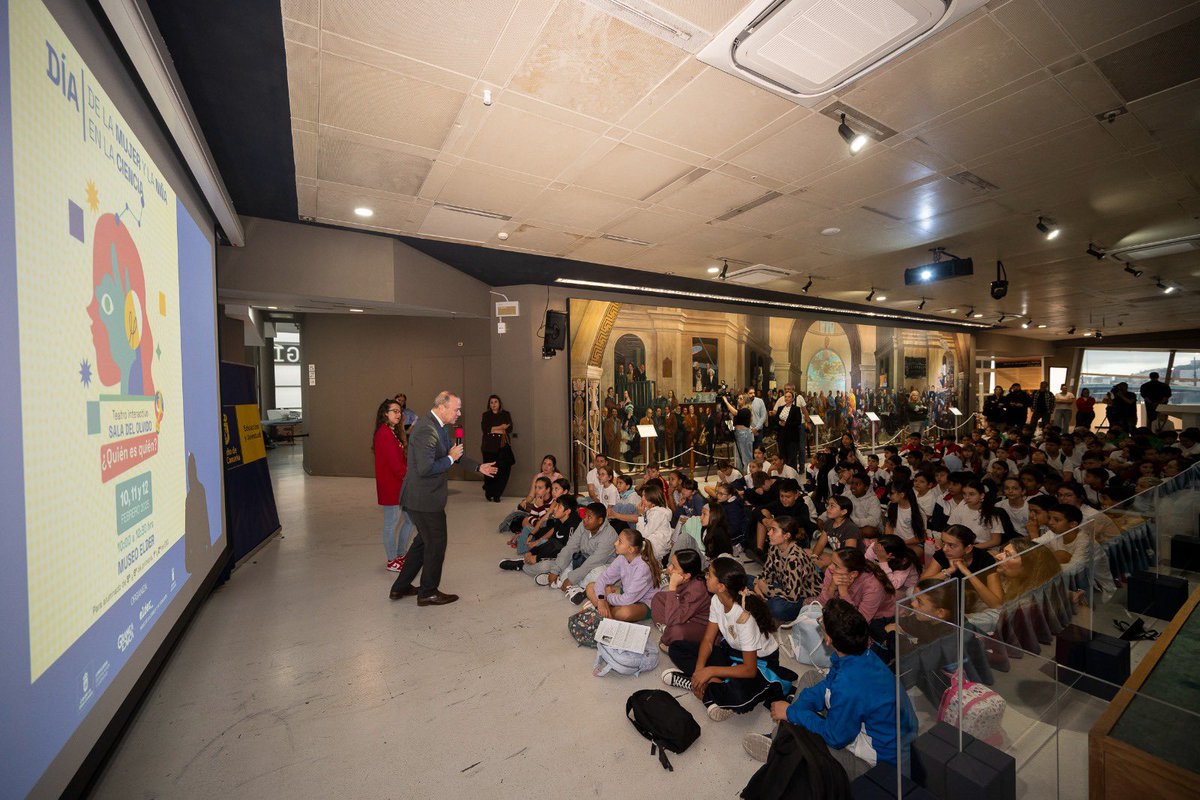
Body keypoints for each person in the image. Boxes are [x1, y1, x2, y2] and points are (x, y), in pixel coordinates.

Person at [743, 598, 917, 778]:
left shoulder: (849, 686)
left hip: (875, 767)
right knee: (811, 678)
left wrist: (792, 713)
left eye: (821, 623)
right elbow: (827, 686)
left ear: (828, 639)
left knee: (807, 737)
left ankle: (783, 745)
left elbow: (835, 738)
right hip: (872, 734)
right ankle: (782, 736)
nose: (820, 623)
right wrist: (794, 712)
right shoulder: (862, 655)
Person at [389, 391, 497, 606]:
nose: (459, 413)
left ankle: (400, 587)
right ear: (442, 407)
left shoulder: (439, 427)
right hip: (424, 499)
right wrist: (449, 458)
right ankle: (428, 592)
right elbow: (426, 468)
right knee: (436, 544)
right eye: (456, 409)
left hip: (424, 498)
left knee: (423, 542)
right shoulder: (426, 430)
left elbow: (455, 455)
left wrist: (478, 467)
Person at [661, 558, 785, 721]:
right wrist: (699, 671)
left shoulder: (744, 618)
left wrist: (710, 671)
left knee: (739, 697)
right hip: (733, 653)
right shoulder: (716, 600)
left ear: (721, 586)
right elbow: (708, 640)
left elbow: (749, 669)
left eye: (709, 574)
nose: (705, 576)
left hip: (759, 663)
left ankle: (702, 686)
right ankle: (705, 685)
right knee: (677, 648)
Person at [531, 502, 617, 591]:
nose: (585, 519)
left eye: (589, 517)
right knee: (563, 568)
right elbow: (570, 547)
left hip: (601, 565)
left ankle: (574, 586)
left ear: (600, 520)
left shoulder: (609, 536)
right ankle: (573, 585)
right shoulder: (583, 525)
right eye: (585, 515)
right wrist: (555, 570)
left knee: (596, 575)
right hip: (583, 560)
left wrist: (571, 579)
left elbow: (593, 562)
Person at [754, 516, 822, 623]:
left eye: (774, 530)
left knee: (777, 608)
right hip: (784, 587)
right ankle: (763, 602)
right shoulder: (774, 547)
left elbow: (793, 596)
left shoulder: (794, 558)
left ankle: (764, 603)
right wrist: (757, 583)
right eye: (769, 529)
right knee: (745, 579)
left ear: (786, 536)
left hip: (802, 596)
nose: (769, 533)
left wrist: (766, 589)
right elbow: (767, 572)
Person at [373, 399, 415, 572]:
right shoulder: (384, 433)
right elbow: (395, 466)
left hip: (401, 485)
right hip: (392, 486)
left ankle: (400, 554)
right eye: (395, 411)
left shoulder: (392, 432)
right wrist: (412, 477)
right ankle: (392, 560)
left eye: (400, 411)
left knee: (410, 520)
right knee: (391, 523)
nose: (399, 414)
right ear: (385, 413)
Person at [584, 528, 661, 622]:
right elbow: (604, 578)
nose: (615, 543)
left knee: (625, 613)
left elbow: (628, 600)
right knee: (590, 587)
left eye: (620, 541)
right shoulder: (622, 557)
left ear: (630, 549)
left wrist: (607, 597)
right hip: (626, 593)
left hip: (644, 602)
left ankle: (602, 612)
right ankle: (605, 613)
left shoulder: (643, 568)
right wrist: (601, 599)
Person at [651, 549, 711, 652]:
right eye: (671, 564)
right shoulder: (688, 579)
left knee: (676, 631)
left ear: (687, 575)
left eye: (674, 567)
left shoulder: (697, 590)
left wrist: (672, 587)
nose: (669, 569)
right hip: (684, 613)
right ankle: (667, 629)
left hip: (699, 623)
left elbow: (674, 618)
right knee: (658, 598)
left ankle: (669, 633)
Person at [816, 547, 897, 623]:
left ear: (853, 574)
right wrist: (831, 588)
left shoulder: (873, 586)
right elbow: (820, 605)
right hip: (849, 612)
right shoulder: (832, 572)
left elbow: (858, 622)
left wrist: (844, 593)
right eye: (831, 562)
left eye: (836, 566)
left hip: (878, 618)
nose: (830, 567)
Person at [480, 394, 514, 502]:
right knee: (490, 471)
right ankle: (489, 492)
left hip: (502, 447)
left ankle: (497, 494)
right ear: (489, 405)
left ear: (499, 403)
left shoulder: (505, 414)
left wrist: (494, 429)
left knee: (502, 471)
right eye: (491, 402)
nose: (494, 404)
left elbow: (509, 429)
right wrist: (500, 427)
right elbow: (486, 429)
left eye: (496, 402)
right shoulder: (486, 415)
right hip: (488, 448)